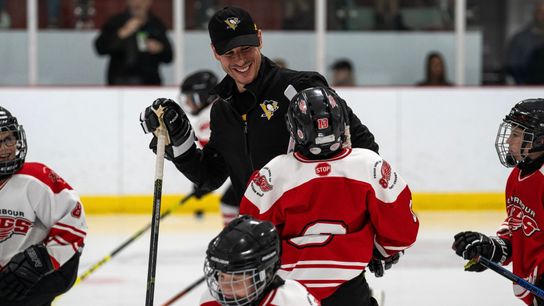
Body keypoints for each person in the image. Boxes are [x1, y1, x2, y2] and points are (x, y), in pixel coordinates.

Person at [139, 6, 379, 210]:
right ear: (215, 52)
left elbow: (364, 146)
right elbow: (211, 177)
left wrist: (368, 217)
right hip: (259, 238)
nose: (240, 60)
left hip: (311, 233)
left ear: (260, 40)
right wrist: (181, 147)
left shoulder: (300, 87)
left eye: (246, 48)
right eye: (229, 53)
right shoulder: (222, 110)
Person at [239, 87, 419, 306]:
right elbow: (402, 232)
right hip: (350, 288)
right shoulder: (369, 165)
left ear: (294, 128)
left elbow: (251, 234)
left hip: (288, 290)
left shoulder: (274, 172)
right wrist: (380, 252)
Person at [452, 98, 544, 306]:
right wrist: (492, 248)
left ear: (539, 140)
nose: (509, 141)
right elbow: (518, 226)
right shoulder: (516, 176)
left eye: (517, 135)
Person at [0, 106, 87, 305]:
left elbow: (74, 226)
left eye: (9, 139)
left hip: (32, 283)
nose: (6, 149)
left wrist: (39, 262)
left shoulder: (36, 179)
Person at [200, 215, 320, 306]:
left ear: (264, 276)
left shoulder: (291, 301)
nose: (225, 288)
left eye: (236, 281)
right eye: (221, 277)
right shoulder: (210, 301)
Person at [180, 70, 238, 225]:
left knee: (230, 204)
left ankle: (234, 241)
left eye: (191, 97)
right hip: (263, 165)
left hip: (255, 169)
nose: (189, 103)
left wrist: (204, 184)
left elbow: (223, 156)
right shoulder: (225, 104)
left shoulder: (207, 117)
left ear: (201, 96)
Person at [94, 0, 173, 85]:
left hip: (149, 83)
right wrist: (122, 33)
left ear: (149, 2)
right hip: (119, 82)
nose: (137, 3)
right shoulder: (116, 22)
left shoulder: (156, 24)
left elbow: (169, 56)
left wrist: (159, 48)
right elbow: (100, 48)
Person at [505, 2, 544, 85]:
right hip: (528, 87)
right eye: (541, 13)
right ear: (535, 14)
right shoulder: (520, 38)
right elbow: (512, 66)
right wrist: (523, 86)